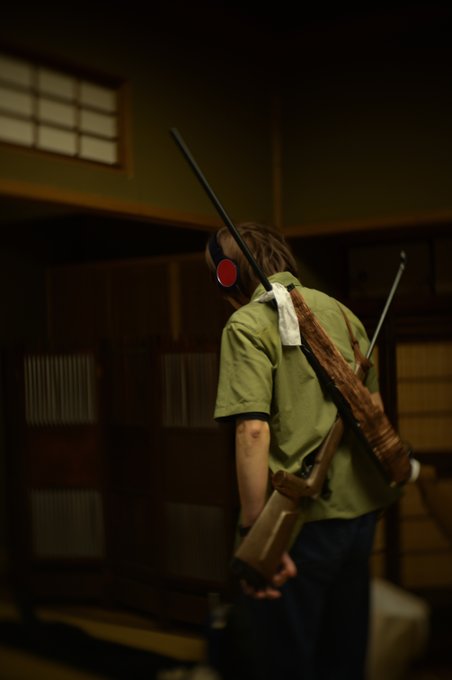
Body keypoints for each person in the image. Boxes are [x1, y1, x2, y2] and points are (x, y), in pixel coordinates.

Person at [205, 222, 403, 680]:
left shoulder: (247, 324)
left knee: (284, 662)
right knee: (343, 657)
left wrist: (258, 532)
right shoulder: (342, 313)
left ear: (227, 274)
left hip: (297, 525)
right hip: (358, 517)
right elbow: (375, 413)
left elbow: (252, 432)